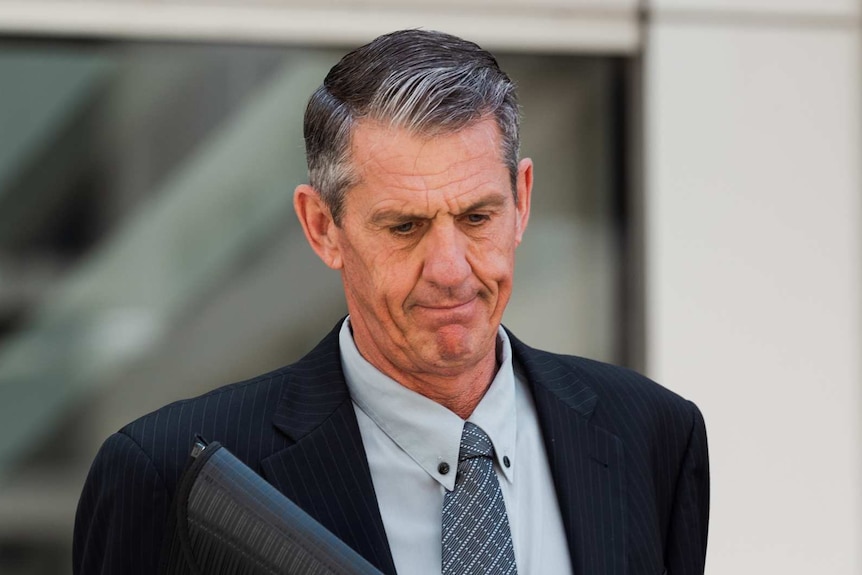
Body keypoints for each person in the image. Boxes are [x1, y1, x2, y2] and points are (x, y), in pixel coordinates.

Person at [73, 29, 709, 575]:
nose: (451, 271)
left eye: (478, 216)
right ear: (322, 227)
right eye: (404, 227)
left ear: (522, 200)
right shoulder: (163, 479)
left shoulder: (653, 436)